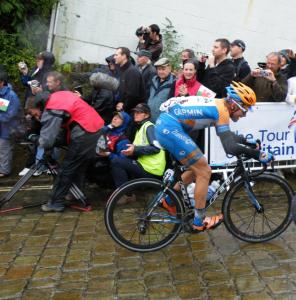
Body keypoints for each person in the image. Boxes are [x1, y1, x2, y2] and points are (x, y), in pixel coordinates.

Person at [155, 82, 274, 231]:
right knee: (204, 171)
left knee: (199, 168)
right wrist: (258, 154)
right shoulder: (221, 111)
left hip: (168, 125)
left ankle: (168, 200)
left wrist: (245, 141)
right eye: (245, 110)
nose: (244, 115)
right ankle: (199, 221)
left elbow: (227, 136)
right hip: (170, 128)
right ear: (234, 105)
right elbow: (229, 147)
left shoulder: (220, 106)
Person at [32, 90, 104, 212]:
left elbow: (47, 140)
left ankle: (56, 202)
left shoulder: (52, 107)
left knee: (67, 168)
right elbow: (67, 121)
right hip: (95, 128)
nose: (36, 117)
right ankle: (75, 194)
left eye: (35, 114)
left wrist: (35, 139)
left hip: (84, 131)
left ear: (41, 106)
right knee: (78, 166)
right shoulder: (60, 95)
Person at [110, 103, 166, 193]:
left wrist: (135, 149)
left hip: (152, 169)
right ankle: (127, 192)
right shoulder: (140, 128)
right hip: (145, 166)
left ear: (146, 115)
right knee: (120, 159)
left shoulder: (149, 127)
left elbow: (156, 148)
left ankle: (125, 195)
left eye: (139, 112)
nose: (136, 114)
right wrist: (131, 152)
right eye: (135, 112)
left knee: (116, 161)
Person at [0, 71, 21, 177]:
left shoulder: (11, 95)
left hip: (9, 128)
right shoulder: (2, 93)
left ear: (1, 82)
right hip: (2, 126)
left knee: (4, 149)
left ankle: (4, 171)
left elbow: (10, 115)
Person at [114, 47, 145, 113]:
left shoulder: (132, 71)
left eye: (116, 55)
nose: (114, 57)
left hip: (129, 111)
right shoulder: (123, 69)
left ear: (124, 56)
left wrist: (123, 105)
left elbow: (132, 94)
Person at [147, 58, 176, 122]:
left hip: (162, 120)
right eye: (159, 69)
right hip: (149, 118)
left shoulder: (174, 83)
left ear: (169, 68)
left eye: (163, 69)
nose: (161, 72)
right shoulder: (153, 80)